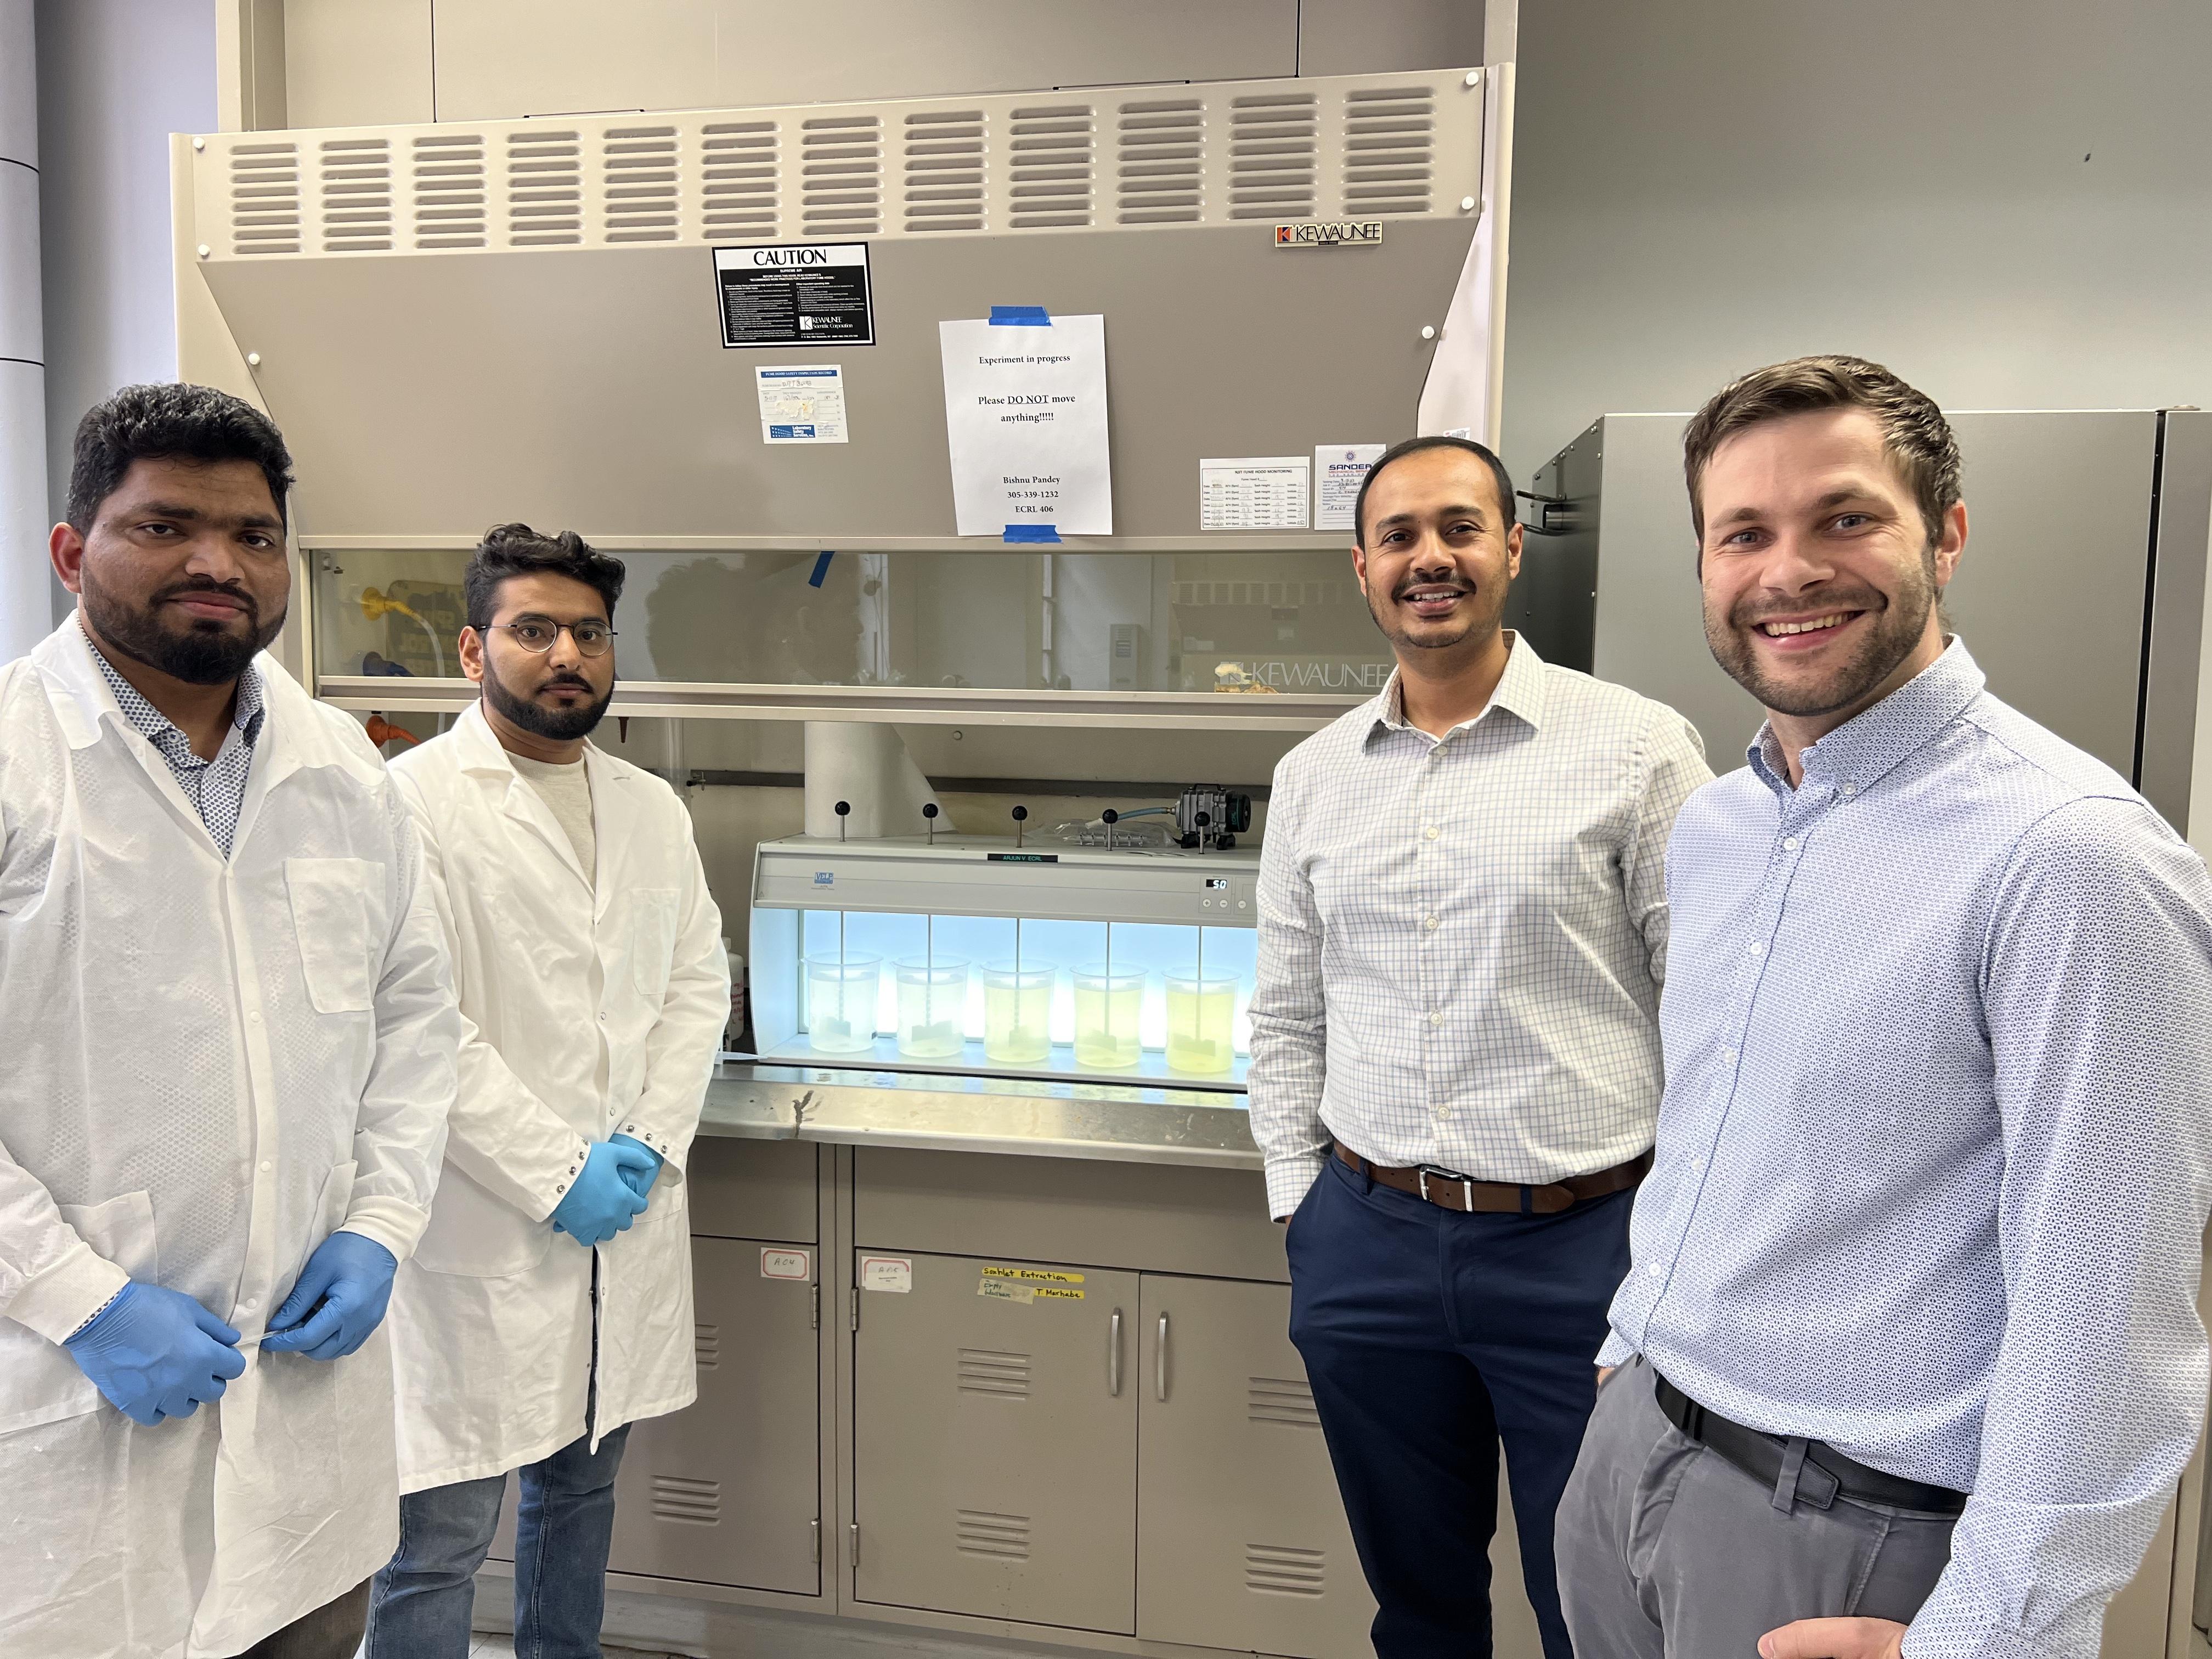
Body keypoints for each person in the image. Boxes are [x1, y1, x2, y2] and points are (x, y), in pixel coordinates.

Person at [1556, 356, 2212, 1659]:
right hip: (1639, 1450)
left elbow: (2112, 1315)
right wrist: (1631, 1353)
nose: (1787, 571)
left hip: (1851, 1526)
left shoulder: (2071, 856)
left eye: (1844, 518)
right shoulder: (1725, 827)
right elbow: (1722, 1135)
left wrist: (1991, 1638)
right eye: (1744, 533)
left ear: (1946, 534)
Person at [0, 382, 459, 1659]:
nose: (218, 562)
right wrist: (80, 1301)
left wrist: (379, 1226)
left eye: (255, 536)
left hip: (308, 1449)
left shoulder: (343, 768)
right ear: (70, 551)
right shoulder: (14, 760)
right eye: (164, 526)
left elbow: (416, 1018)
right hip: (59, 1418)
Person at [1249, 435, 1712, 1657]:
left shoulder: (1638, 748)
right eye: (1399, 537)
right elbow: (1288, 1010)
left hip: (1586, 1252)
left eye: (1459, 528)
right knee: (1419, 1604)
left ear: (1511, 548)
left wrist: (1675, 1251)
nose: (1429, 558)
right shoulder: (1312, 778)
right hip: (1369, 1241)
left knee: (1598, 1603)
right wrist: (1304, 1210)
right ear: (1363, 569)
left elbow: (1715, 1013)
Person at [364, 524, 729, 1657]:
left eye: (588, 633)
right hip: (478, 1222)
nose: (565, 654)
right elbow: (419, 1021)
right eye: (533, 631)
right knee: (440, 1534)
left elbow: (696, 980)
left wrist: (651, 1145)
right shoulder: (410, 802)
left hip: (621, 1220)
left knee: (581, 1500)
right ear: (473, 651)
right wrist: (558, 1172)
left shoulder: (651, 808)